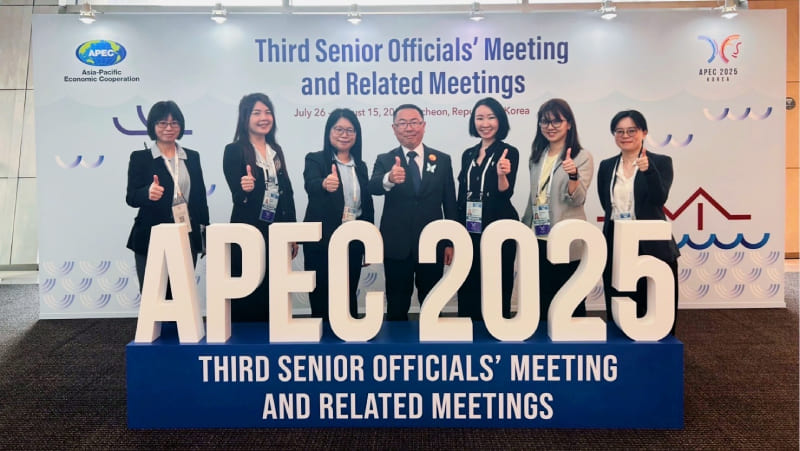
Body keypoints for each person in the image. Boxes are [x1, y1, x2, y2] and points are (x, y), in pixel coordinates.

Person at [368, 104, 457, 321]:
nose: (409, 128)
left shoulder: (442, 160)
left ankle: (433, 348)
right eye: (403, 123)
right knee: (397, 304)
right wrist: (389, 178)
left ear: (424, 125)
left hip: (432, 243)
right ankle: (398, 350)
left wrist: (449, 242)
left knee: (432, 303)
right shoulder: (385, 159)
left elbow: (450, 203)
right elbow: (372, 187)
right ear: (394, 128)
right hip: (397, 246)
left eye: (414, 122)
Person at [597, 109, 680, 334]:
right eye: (619, 131)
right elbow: (608, 205)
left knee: (653, 306)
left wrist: (649, 171)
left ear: (643, 132)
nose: (625, 135)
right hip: (617, 242)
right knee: (621, 304)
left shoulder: (660, 162)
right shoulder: (606, 166)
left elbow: (659, 199)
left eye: (631, 130)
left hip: (651, 244)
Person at [222, 93, 297, 322]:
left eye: (267, 112)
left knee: (274, 289)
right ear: (245, 118)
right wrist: (244, 189)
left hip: (277, 230)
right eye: (256, 113)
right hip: (249, 231)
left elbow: (287, 193)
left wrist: (292, 233)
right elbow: (237, 196)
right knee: (249, 287)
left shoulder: (276, 150)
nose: (264, 117)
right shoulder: (234, 150)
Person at [126, 100, 210, 294]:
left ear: (181, 126)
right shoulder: (140, 158)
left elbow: (199, 198)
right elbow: (131, 197)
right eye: (162, 123)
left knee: (182, 292)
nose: (169, 128)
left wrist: (205, 232)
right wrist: (147, 193)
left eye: (174, 123)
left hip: (186, 233)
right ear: (153, 126)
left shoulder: (192, 157)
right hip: (151, 234)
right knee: (153, 293)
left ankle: (182, 326)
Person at [521, 98, 594, 321]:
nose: (550, 127)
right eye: (545, 122)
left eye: (556, 121)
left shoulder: (582, 157)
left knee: (568, 298)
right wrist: (524, 228)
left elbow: (577, 199)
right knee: (541, 296)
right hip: (538, 236)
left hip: (566, 238)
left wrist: (573, 175)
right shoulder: (537, 156)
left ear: (569, 124)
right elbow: (535, 196)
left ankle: (574, 346)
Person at [303, 108, 374, 321]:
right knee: (321, 293)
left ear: (356, 134)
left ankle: (348, 340)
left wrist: (367, 242)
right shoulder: (315, 160)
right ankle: (322, 345)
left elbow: (366, 206)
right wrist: (324, 183)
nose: (344, 134)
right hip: (321, 242)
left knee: (347, 292)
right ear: (329, 132)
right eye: (339, 129)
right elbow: (311, 184)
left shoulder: (360, 166)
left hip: (351, 240)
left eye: (350, 130)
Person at [456, 97, 519, 320]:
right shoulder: (468, 154)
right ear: (474, 122)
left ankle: (497, 329)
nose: (485, 123)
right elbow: (461, 195)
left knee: (498, 281)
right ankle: (469, 329)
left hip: (499, 226)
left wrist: (502, 175)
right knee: (469, 281)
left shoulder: (508, 152)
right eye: (480, 118)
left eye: (491, 117)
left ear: (500, 121)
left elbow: (506, 193)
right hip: (470, 228)